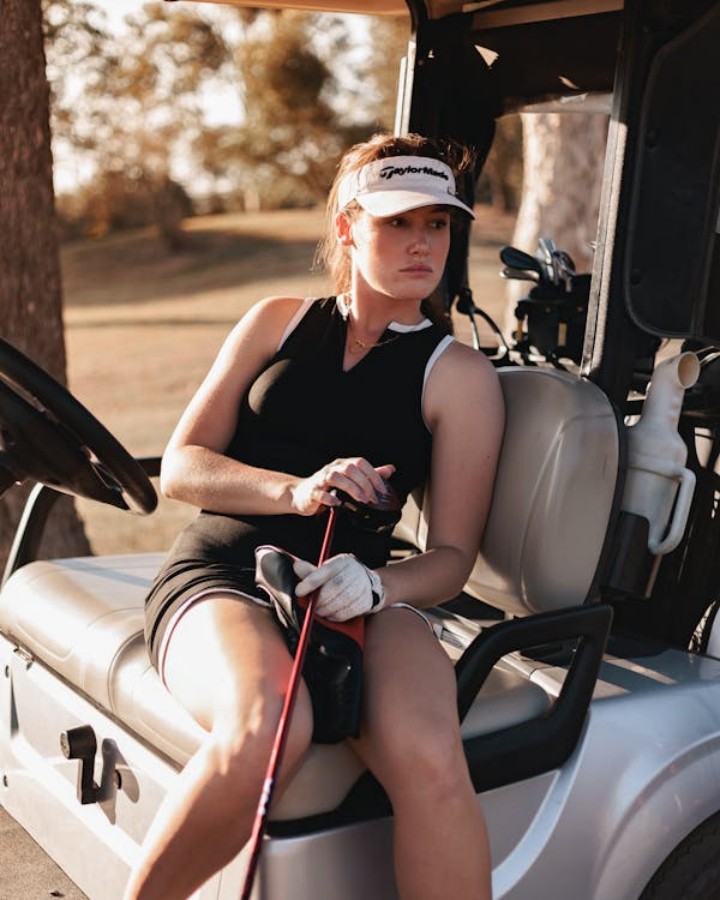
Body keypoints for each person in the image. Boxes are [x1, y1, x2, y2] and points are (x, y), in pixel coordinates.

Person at [125, 132, 504, 900]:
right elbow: (183, 465)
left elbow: (453, 557)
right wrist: (294, 491)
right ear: (346, 227)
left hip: (355, 590)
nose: (422, 242)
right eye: (397, 222)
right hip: (222, 572)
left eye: (437, 223)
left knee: (432, 756)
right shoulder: (277, 322)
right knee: (273, 725)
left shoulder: (459, 375)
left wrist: (376, 589)